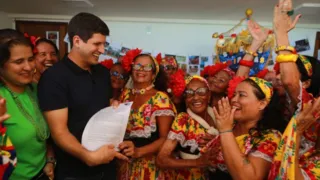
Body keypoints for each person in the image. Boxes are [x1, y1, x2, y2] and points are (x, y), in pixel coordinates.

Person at [37, 12, 128, 180]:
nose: (102, 50)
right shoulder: (54, 77)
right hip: (74, 172)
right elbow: (59, 132)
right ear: (77, 41)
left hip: (107, 167)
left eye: (104, 44)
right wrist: (88, 156)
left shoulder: (102, 72)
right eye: (97, 44)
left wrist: (114, 109)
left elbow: (105, 107)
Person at [268, 0, 320, 179]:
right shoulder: (278, 103)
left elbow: (290, 81)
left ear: (305, 84)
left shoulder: (311, 106)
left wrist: (281, 33)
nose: (279, 78)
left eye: (282, 73)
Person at [0, 29, 54, 179]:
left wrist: (49, 160)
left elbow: (46, 135)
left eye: (30, 59)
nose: (29, 67)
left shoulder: (38, 89)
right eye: (18, 62)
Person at [117, 49, 176, 179]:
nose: (141, 69)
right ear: (132, 69)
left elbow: (166, 138)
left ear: (154, 73)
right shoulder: (125, 95)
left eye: (147, 67)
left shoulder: (160, 99)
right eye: (137, 65)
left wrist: (139, 151)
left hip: (150, 168)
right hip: (124, 165)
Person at [209, 77, 283, 179]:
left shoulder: (270, 137)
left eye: (242, 95)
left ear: (262, 104)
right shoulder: (232, 125)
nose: (234, 99)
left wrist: (225, 131)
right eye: (234, 94)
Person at [156, 75, 218, 180]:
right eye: (189, 93)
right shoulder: (183, 120)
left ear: (209, 95)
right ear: (185, 99)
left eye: (201, 91)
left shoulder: (217, 115)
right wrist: (197, 162)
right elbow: (161, 160)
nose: (196, 97)